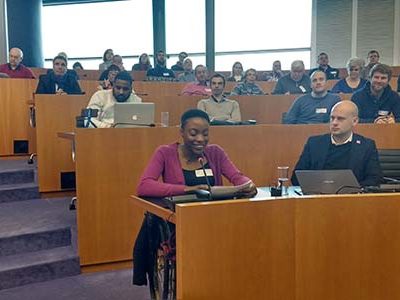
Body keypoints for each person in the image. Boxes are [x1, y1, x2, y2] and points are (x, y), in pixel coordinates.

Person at [133, 109, 257, 297]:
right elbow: (144, 186)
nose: (200, 139)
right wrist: (186, 189)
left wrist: (247, 185)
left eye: (205, 134)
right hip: (180, 225)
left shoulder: (215, 152)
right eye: (193, 133)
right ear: (181, 132)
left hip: (215, 220)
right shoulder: (165, 153)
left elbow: (236, 177)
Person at [291, 101, 382, 187]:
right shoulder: (314, 143)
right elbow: (296, 177)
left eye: (340, 119)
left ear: (354, 121)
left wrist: (351, 190)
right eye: (332, 118)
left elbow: (374, 179)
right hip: (318, 197)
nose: (334, 123)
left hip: (351, 199)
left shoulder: (366, 146)